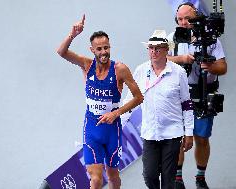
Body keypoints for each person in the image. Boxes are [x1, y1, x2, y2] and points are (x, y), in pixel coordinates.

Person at [57, 14, 143, 189]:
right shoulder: (86, 65)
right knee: (95, 180)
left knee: (113, 177)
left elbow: (139, 97)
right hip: (92, 129)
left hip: (112, 130)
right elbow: (61, 52)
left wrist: (116, 112)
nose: (104, 52)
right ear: (92, 50)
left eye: (106, 48)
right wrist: (72, 35)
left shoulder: (120, 69)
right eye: (99, 49)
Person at [121, 30, 194, 189]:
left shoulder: (178, 72)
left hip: (172, 133)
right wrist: (118, 123)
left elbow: (187, 104)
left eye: (158, 48)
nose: (154, 52)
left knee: (169, 179)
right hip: (150, 133)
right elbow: (130, 100)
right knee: (149, 174)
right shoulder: (141, 71)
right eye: (151, 48)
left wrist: (188, 132)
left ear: (167, 50)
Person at [166, 3, 227, 189]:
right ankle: (177, 179)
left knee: (201, 138)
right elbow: (159, 59)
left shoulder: (211, 39)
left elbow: (223, 67)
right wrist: (181, 59)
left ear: (197, 17)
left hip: (204, 92)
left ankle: (200, 177)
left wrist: (209, 66)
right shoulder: (171, 39)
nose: (184, 22)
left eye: (188, 18)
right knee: (177, 138)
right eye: (180, 19)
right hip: (178, 95)